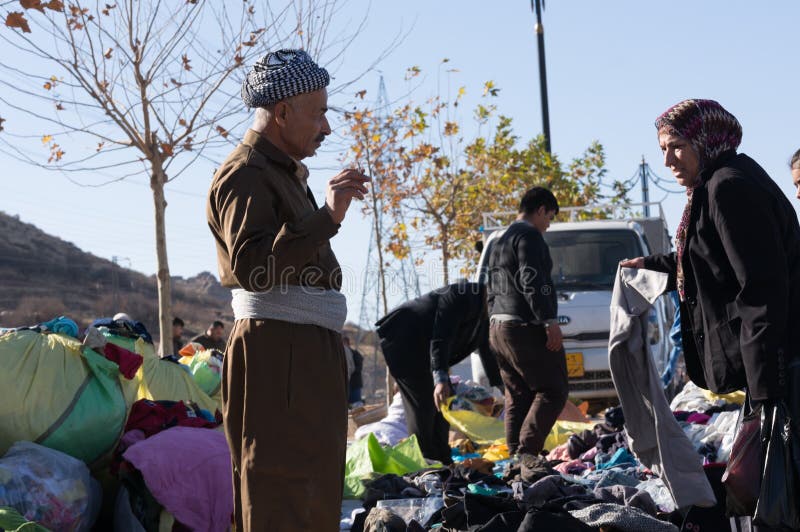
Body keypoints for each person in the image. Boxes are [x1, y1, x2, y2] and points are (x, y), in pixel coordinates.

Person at [206, 49, 369, 531]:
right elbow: (254, 269)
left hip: (300, 351)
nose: (326, 127)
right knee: (280, 491)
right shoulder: (246, 174)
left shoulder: (282, 174)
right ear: (281, 112)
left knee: (312, 488)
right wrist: (327, 217)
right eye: (318, 113)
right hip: (278, 353)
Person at [621, 99, 800, 523]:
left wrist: (766, 389)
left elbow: (761, 288)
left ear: (706, 140)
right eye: (663, 149)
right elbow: (708, 257)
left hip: (783, 363)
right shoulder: (718, 183)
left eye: (677, 146)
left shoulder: (729, 187)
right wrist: (653, 266)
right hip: (777, 364)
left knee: (783, 486)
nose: (668, 160)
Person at [375, 280, 502, 464]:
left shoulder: (485, 316)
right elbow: (442, 337)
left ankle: (443, 461)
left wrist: (501, 386)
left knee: (442, 407)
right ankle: (424, 464)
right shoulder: (460, 295)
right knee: (423, 407)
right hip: (403, 341)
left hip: (428, 354)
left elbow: (486, 351)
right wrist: (441, 379)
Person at [486, 186, 568, 460]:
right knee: (553, 389)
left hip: (498, 328)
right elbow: (532, 280)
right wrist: (549, 321)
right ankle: (527, 453)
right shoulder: (529, 236)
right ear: (541, 210)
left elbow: (490, 288)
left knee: (518, 394)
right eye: (550, 217)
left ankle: (515, 459)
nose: (548, 225)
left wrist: (493, 321)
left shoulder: (499, 241)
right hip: (522, 326)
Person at [343, 336, 364, 407]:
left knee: (356, 405)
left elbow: (359, 367)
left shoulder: (355, 354)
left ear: (347, 343)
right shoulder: (342, 355)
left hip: (355, 384)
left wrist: (350, 370)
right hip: (347, 384)